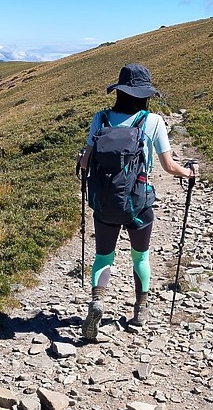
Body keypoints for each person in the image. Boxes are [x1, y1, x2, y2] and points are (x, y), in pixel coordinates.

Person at [78, 62, 198, 340]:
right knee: (140, 256)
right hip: (138, 203)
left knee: (103, 256)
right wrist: (189, 172)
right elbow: (169, 167)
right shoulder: (153, 121)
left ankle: (97, 300)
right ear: (144, 94)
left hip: (106, 203)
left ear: (119, 91)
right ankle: (140, 309)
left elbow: (85, 162)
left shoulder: (101, 118)